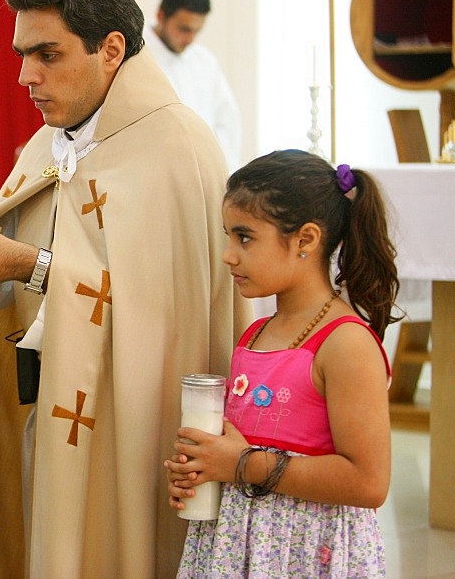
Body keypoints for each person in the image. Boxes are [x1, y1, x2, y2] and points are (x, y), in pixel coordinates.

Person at [0, 0, 247, 577]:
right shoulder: (46, 143)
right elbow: (11, 276)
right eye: (21, 55)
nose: (26, 76)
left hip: (131, 431)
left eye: (48, 55)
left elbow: (162, 315)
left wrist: (26, 265)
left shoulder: (180, 148)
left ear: (111, 49)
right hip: (44, 408)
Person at [165, 149, 400, 577]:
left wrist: (238, 463)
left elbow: (368, 482)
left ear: (305, 240)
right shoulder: (255, 336)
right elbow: (240, 449)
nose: (228, 255)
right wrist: (205, 467)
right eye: (228, 236)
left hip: (304, 553)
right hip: (239, 547)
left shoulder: (345, 344)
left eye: (245, 237)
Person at [145, 0, 242, 172]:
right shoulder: (134, 54)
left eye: (197, 31)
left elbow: (227, 121)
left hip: (203, 173)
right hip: (155, 171)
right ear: (161, 16)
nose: (190, 39)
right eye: (184, 29)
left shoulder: (204, 60)